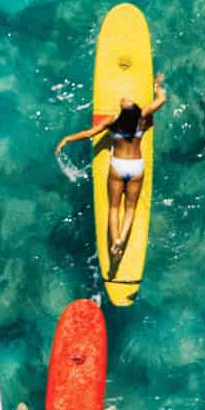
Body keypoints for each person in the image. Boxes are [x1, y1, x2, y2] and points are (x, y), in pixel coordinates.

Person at [54, 73, 166, 274]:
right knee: (130, 209)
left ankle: (114, 242)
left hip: (118, 166)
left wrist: (67, 139)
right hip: (136, 167)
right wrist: (157, 84)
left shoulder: (113, 121)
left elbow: (89, 133)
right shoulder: (141, 119)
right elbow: (162, 99)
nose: (125, 99)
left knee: (114, 208)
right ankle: (121, 241)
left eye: (126, 102)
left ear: (123, 113)